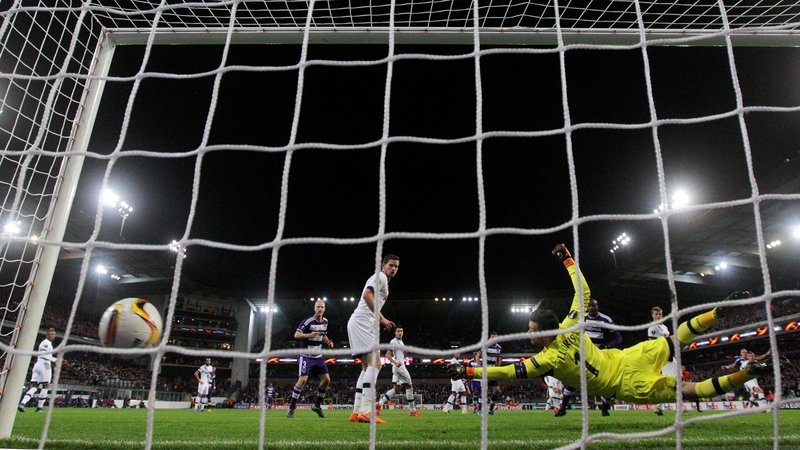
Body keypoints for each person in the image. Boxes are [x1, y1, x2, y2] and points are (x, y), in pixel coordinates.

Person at [447, 244, 787, 410]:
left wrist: (469, 370)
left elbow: (506, 375)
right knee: (675, 340)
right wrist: (567, 258)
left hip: (627, 381)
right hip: (628, 356)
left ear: (541, 332)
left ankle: (749, 372)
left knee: (688, 391)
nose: (529, 333)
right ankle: (716, 312)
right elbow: (583, 290)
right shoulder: (571, 325)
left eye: (531, 329)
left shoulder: (546, 360)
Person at [347, 254, 399, 424]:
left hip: (358, 321)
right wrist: (383, 319)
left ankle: (356, 411)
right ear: (383, 265)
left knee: (365, 368)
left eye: (396, 266)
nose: (393, 269)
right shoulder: (381, 277)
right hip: (363, 322)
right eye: (391, 265)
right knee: (376, 364)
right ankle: (367, 411)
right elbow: (366, 295)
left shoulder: (383, 280)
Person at [556, 298, 623, 417]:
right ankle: (562, 408)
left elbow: (618, 339)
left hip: (600, 357)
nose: (591, 308)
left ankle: (604, 409)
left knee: (608, 382)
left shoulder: (605, 320)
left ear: (598, 307)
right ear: (586, 308)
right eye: (589, 306)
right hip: (584, 355)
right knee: (574, 379)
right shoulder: (581, 319)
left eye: (594, 306)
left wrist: (607, 346)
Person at [287, 299, 334, 418]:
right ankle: (292, 408)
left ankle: (317, 406)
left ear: (324, 309)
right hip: (305, 356)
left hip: (318, 357)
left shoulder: (325, 322)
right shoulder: (308, 321)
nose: (319, 309)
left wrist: (328, 342)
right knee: (302, 380)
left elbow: (323, 334)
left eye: (322, 307)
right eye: (318, 307)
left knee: (326, 380)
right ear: (314, 308)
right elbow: (296, 335)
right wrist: (309, 335)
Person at [378, 325, 421, 416]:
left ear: (403, 332)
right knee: (409, 386)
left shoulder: (401, 342)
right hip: (400, 367)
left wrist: (407, 351)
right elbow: (387, 355)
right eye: (398, 331)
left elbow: (401, 355)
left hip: (397, 368)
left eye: (401, 331)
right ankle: (413, 411)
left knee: (396, 389)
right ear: (395, 333)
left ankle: (379, 404)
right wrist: (395, 362)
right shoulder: (393, 342)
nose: (399, 333)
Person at [19, 328, 62, 413]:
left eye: (54, 334)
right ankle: (39, 407)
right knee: (46, 386)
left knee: (35, 386)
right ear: (47, 335)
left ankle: (22, 404)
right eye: (51, 334)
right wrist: (55, 360)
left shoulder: (46, 343)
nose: (53, 336)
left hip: (38, 365)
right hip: (44, 365)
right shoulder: (46, 343)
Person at [649, 306, 676, 416]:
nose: (658, 316)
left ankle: (658, 407)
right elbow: (651, 343)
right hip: (664, 357)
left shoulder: (664, 327)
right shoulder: (652, 327)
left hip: (671, 355)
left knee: (674, 380)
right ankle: (680, 407)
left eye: (660, 314)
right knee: (674, 380)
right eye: (656, 314)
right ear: (652, 315)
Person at [475, 331, 502, 415]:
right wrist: (480, 367)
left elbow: (497, 359)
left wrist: (498, 369)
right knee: (485, 390)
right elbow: (477, 356)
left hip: (493, 371)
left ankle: (491, 409)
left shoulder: (499, 348)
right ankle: (479, 410)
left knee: (497, 390)